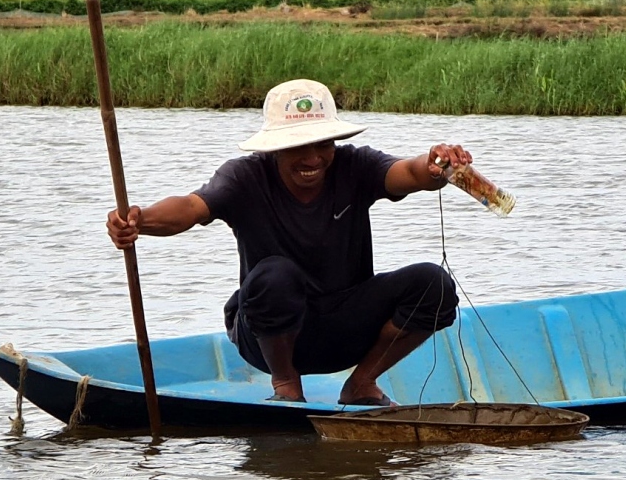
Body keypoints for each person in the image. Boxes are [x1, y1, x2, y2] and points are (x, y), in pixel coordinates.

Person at [106, 79, 471, 406]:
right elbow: (190, 207)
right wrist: (140, 221)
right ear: (275, 148)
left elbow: (408, 172)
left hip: (342, 329)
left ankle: (361, 382)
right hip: (266, 335)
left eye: (323, 144)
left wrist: (434, 167)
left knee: (432, 286)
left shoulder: (354, 166)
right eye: (298, 146)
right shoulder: (245, 177)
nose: (313, 158)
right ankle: (285, 383)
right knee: (275, 276)